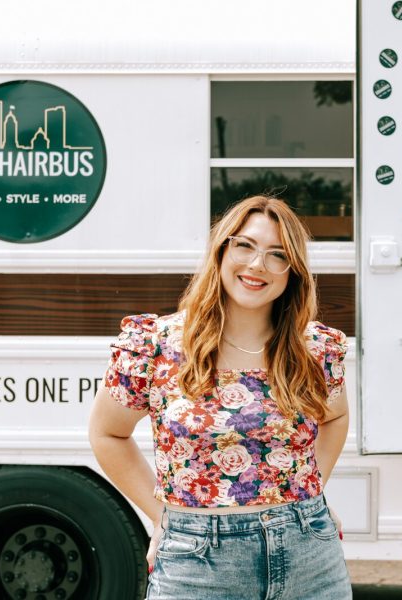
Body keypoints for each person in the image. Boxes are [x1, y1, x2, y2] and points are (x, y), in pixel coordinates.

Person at [89, 195, 352, 599]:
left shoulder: (313, 348)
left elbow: (335, 418)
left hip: (309, 555)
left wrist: (310, 488)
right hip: (197, 562)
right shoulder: (155, 346)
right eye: (244, 245)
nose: (256, 265)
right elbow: (108, 434)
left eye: (277, 255)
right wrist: (162, 517)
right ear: (222, 249)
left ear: (292, 272)